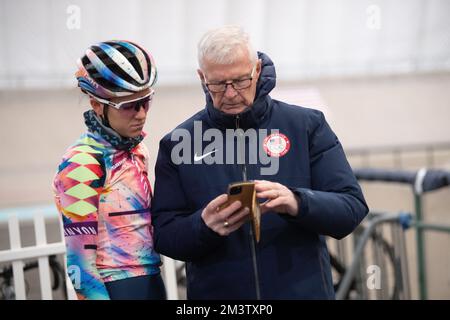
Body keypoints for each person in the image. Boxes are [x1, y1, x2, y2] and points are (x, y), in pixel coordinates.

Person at [151, 25, 369, 299]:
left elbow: (351, 208)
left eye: (241, 81)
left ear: (257, 69)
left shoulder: (306, 126)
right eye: (217, 84)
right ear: (201, 77)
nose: (230, 94)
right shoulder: (177, 143)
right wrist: (203, 226)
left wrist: (297, 202)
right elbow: (164, 235)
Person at [53, 40, 166, 300]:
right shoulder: (82, 161)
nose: (141, 114)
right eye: (128, 105)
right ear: (96, 105)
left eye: (146, 101)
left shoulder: (138, 150)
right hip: (115, 287)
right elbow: (79, 264)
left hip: (151, 280)